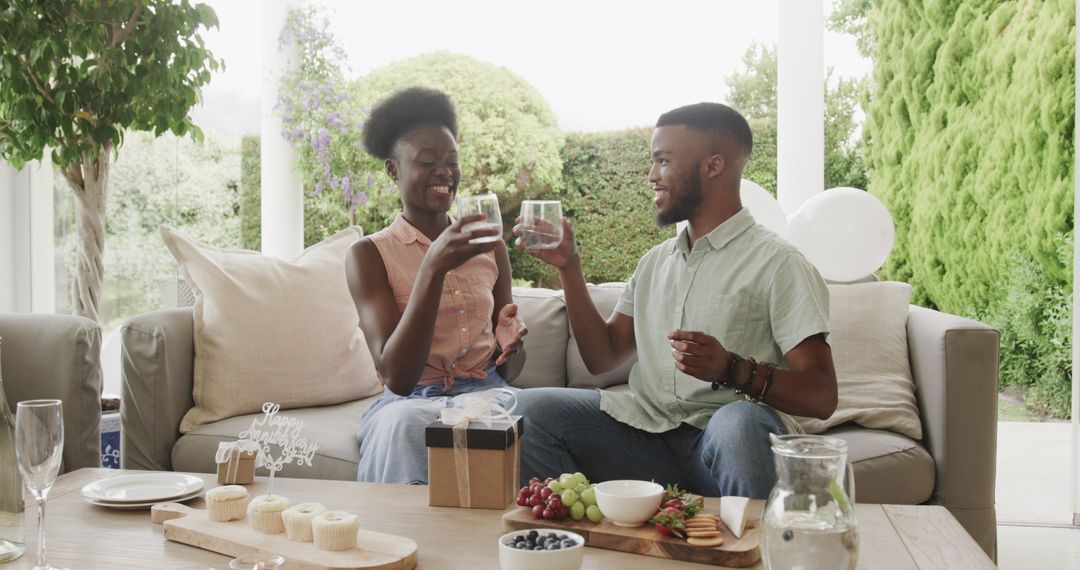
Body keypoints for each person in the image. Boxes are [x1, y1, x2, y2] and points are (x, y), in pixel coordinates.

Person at [512, 102, 837, 499]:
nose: (652, 176)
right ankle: (576, 532)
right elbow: (601, 358)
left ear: (713, 166)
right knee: (529, 410)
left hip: (728, 444)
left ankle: (751, 536)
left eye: (663, 161)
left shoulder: (779, 263)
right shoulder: (654, 262)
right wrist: (570, 268)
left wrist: (731, 368)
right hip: (647, 440)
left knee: (739, 422)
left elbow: (822, 396)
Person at [346, 87, 526, 484]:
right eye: (427, 162)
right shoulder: (368, 255)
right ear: (393, 170)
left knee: (540, 414)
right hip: (411, 402)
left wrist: (511, 345)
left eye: (452, 162)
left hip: (487, 395)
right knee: (403, 425)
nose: (444, 171)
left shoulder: (491, 246)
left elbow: (511, 371)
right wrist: (432, 269)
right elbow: (398, 378)